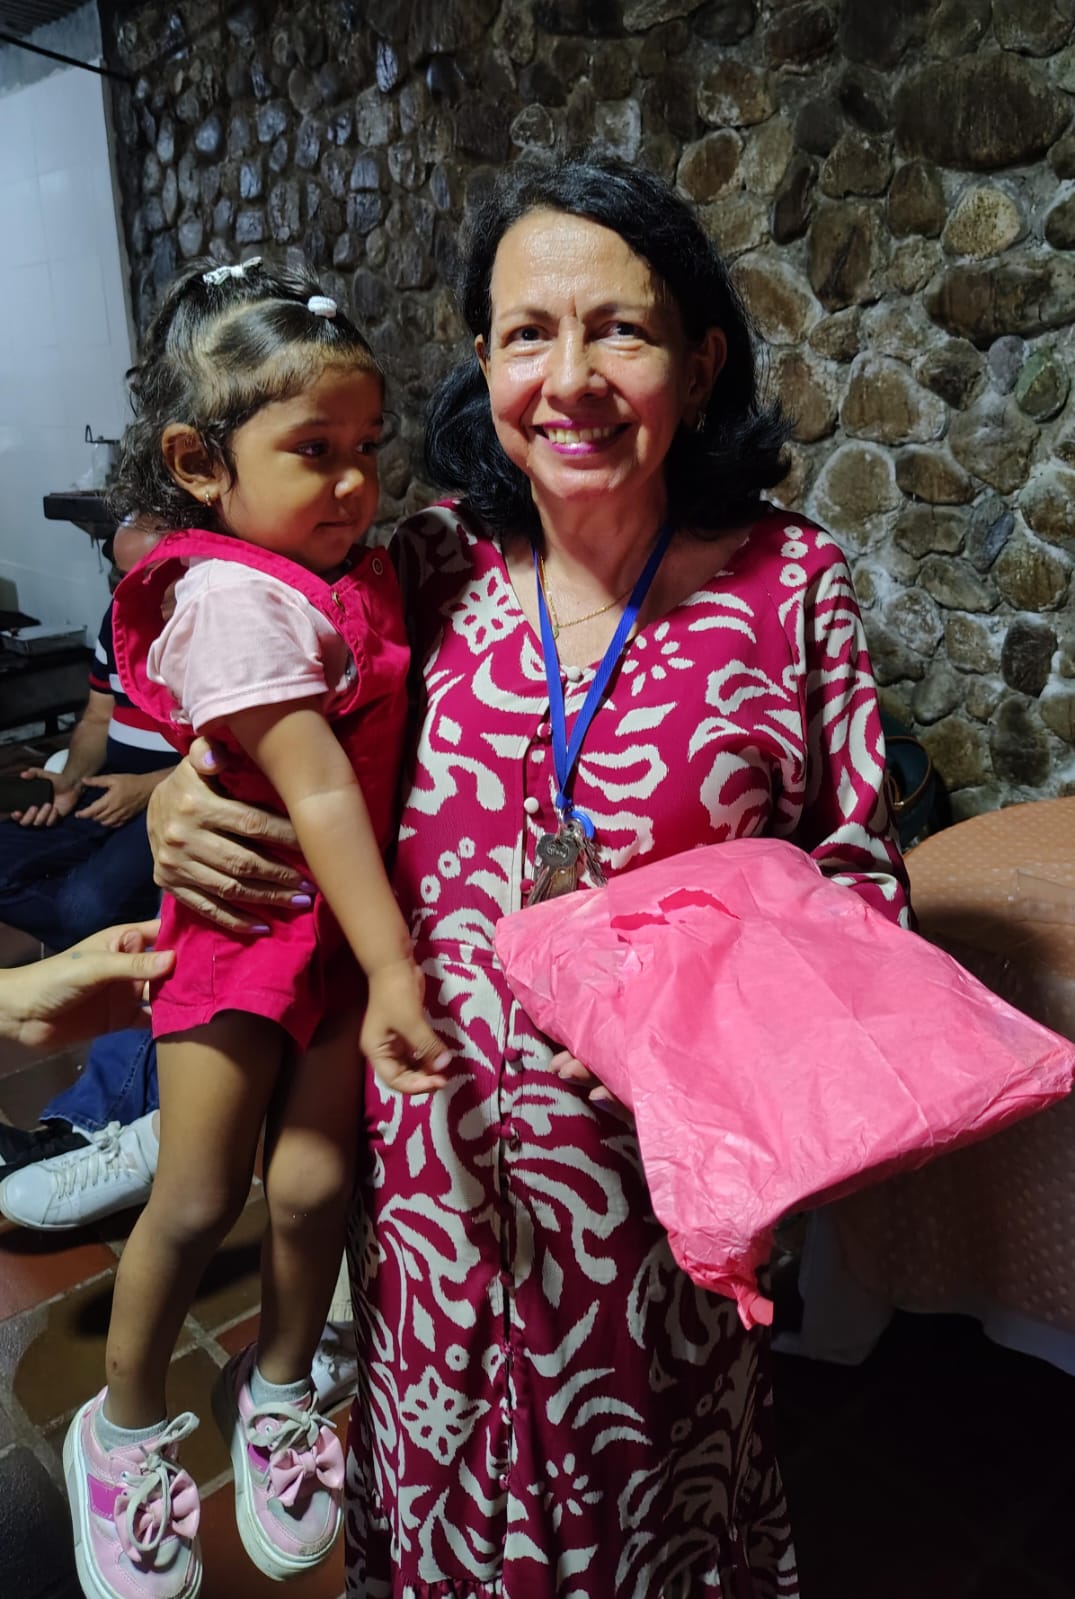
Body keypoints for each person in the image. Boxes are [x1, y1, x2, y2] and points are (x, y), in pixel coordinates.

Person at [145, 156, 910, 1597]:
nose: (568, 380)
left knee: (650, 1538)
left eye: (618, 329)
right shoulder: (415, 570)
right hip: (430, 1206)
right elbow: (262, 718)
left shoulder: (785, 583)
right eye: (524, 334)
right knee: (437, 1531)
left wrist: (735, 1069)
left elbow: (860, 877)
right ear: (484, 364)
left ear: (699, 360)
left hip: (658, 1227)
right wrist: (176, 799)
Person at [62, 257, 451, 1599]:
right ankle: (119, 1424)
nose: (353, 482)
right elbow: (320, 785)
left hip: (338, 935)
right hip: (248, 931)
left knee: (310, 1183)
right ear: (200, 463)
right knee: (195, 1193)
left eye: (367, 448)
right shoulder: (231, 600)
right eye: (313, 451)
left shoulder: (348, 573)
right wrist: (395, 963)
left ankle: (278, 1384)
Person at [0, 530, 180, 952]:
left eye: (150, 575)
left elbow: (237, 755)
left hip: (174, 796)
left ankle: (100, 929)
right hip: (104, 787)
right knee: (74, 905)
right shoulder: (118, 618)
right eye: (120, 576)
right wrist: (71, 779)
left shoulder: (218, 625)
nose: (129, 591)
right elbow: (99, 718)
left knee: (84, 908)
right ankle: (109, 934)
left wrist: (147, 787)